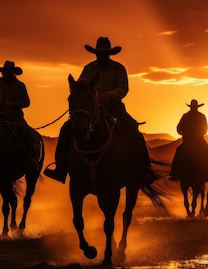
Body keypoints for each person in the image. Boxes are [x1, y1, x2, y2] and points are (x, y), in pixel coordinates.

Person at [44, 37, 157, 185]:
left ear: (109, 54)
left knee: (132, 129)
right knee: (66, 129)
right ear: (96, 53)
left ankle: (144, 168)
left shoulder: (118, 68)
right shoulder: (88, 69)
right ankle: (60, 168)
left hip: (114, 107)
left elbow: (123, 89)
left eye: (104, 53)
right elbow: (81, 87)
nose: (101, 56)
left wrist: (106, 96)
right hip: (90, 108)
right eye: (99, 53)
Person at [168, 99, 208, 181]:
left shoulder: (201, 116)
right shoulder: (186, 116)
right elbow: (178, 128)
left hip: (199, 140)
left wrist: (199, 133)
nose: (194, 108)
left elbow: (205, 129)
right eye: (193, 107)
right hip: (188, 141)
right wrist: (184, 132)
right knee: (178, 151)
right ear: (191, 107)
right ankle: (174, 172)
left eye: (195, 107)